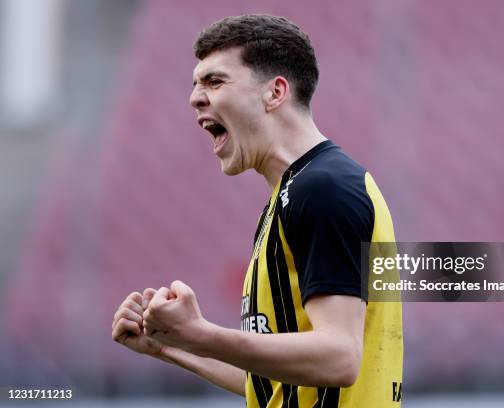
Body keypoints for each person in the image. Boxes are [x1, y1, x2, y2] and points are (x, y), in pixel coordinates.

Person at [111, 14, 403, 407]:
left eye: (214, 81)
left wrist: (200, 332)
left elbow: (339, 359)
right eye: (196, 84)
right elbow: (278, 383)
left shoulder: (323, 189)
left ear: (275, 92)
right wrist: (170, 346)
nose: (195, 97)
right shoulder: (294, 194)